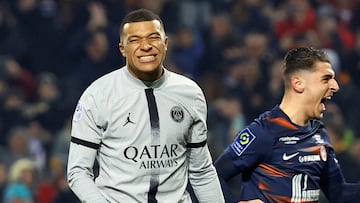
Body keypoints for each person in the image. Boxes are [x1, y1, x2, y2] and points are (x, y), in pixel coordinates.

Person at [66, 8, 224, 203]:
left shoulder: (190, 94)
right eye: (134, 40)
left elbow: (201, 171)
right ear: (122, 48)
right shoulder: (98, 95)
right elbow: (78, 171)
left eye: (153, 37)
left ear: (165, 43)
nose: (145, 46)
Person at [214, 47, 360, 203]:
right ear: (298, 84)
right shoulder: (264, 131)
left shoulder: (319, 135)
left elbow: (339, 193)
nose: (335, 86)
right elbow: (215, 176)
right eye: (325, 79)